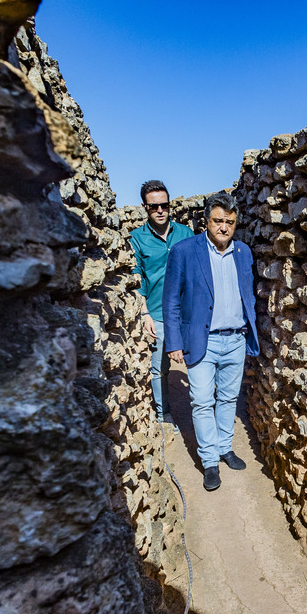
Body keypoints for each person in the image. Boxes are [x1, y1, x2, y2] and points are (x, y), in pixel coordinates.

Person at [163, 192, 259, 490]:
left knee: (228, 398)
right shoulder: (184, 251)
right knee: (202, 400)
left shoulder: (243, 252)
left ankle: (224, 447)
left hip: (235, 340)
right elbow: (171, 301)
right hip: (202, 340)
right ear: (207, 221)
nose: (224, 228)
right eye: (218, 221)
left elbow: (248, 294)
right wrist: (174, 343)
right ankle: (209, 462)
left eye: (229, 222)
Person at [130, 179, 194, 429]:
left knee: (199, 361)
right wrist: (144, 312)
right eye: (154, 206)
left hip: (187, 312)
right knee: (160, 368)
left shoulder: (186, 234)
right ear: (144, 207)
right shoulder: (136, 238)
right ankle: (163, 414)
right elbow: (138, 277)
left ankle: (201, 413)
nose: (160, 210)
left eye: (164, 205)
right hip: (157, 312)